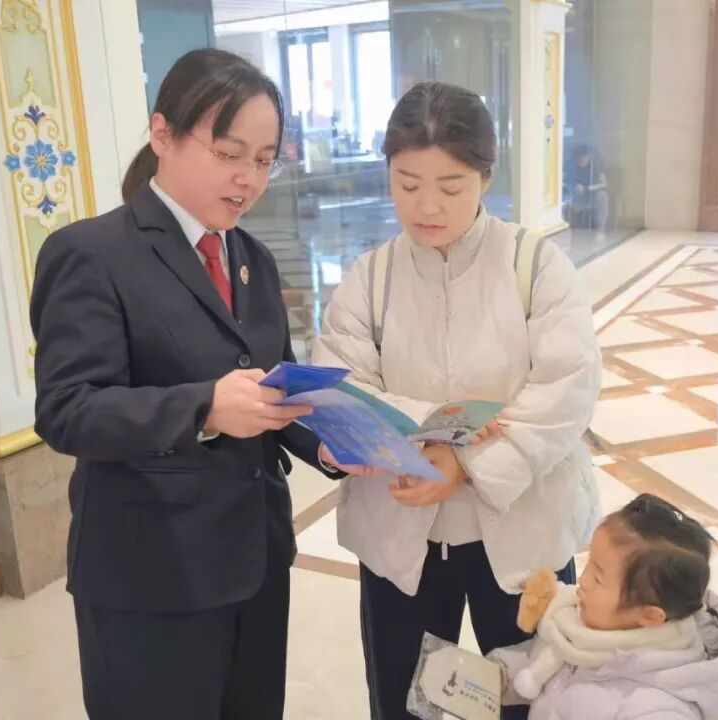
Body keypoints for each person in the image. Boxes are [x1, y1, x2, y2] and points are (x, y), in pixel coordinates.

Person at [30, 48, 369, 719]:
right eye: (228, 153)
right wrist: (205, 408)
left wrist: (330, 443)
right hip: (151, 574)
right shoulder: (92, 254)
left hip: (256, 559)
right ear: (163, 134)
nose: (249, 179)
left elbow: (273, 384)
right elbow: (68, 410)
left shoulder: (252, 258)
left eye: (265, 159)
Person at [313, 81, 603, 720]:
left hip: (523, 529)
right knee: (405, 700)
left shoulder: (535, 265)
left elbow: (567, 387)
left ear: (486, 177)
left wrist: (468, 464)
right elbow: (343, 383)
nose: (426, 206)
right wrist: (428, 441)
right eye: (407, 183)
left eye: (450, 187)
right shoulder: (372, 276)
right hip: (401, 535)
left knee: (535, 696)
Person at [494, 494, 718, 720]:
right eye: (589, 564)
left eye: (598, 577)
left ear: (650, 616)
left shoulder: (655, 708)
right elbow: (558, 669)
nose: (584, 580)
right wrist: (501, 675)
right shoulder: (596, 626)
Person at [565, 145, 610, 232]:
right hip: (576, 195)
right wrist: (573, 187)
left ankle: (600, 231)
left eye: (584, 156)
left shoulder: (596, 165)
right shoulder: (570, 165)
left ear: (589, 156)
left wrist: (586, 189)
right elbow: (565, 180)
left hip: (593, 193)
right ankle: (573, 230)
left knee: (602, 196)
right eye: (578, 156)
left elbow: (604, 184)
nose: (581, 158)